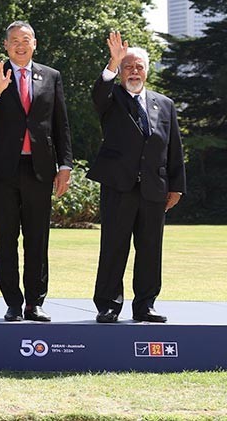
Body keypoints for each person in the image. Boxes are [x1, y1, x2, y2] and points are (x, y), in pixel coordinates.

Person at [0, 21, 72, 322]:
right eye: (14, 40)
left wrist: (65, 165)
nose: (20, 45)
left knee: (37, 238)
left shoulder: (51, 76)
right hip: (1, 170)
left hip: (39, 168)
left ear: (35, 43)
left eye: (25, 39)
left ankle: (35, 302)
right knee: (5, 237)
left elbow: (60, 123)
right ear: (5, 45)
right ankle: (13, 303)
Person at [90, 32, 185, 323]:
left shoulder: (164, 104)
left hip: (155, 189)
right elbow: (98, 94)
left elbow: (174, 147)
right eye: (128, 66)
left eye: (139, 66)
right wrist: (112, 61)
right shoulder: (111, 98)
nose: (134, 71)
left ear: (147, 71)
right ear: (120, 71)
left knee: (150, 249)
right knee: (114, 247)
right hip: (119, 186)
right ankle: (108, 305)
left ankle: (145, 305)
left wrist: (176, 187)